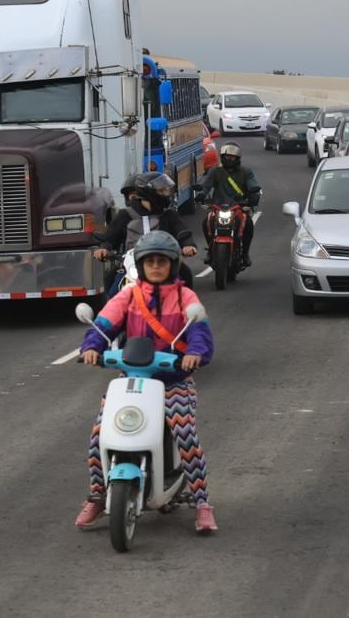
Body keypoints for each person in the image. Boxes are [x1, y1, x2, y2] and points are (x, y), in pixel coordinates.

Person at [76, 231, 217, 533]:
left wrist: (194, 354)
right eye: (150, 261)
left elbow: (200, 332)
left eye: (161, 262)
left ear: (173, 265)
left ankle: (202, 503)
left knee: (185, 433)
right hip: (131, 379)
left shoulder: (185, 297)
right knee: (100, 434)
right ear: (140, 265)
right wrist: (91, 347)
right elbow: (103, 324)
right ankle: (98, 495)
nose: (155, 266)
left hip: (174, 380)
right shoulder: (128, 295)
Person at [94, 171, 198, 285]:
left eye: (166, 191)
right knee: (110, 280)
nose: (166, 194)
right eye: (161, 191)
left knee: (186, 274)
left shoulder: (169, 215)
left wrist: (188, 244)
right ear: (149, 192)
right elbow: (110, 238)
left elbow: (181, 231)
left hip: (163, 261)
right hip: (132, 264)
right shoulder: (125, 215)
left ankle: (185, 297)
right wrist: (104, 248)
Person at [197, 142, 261, 266]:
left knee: (248, 224)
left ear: (237, 158)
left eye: (232, 157)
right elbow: (206, 185)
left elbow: (253, 184)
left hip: (239, 207)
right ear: (222, 156)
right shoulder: (215, 171)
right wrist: (201, 194)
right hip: (218, 206)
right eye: (227, 156)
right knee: (206, 222)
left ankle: (245, 253)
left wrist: (254, 196)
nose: (229, 159)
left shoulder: (246, 172)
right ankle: (210, 250)